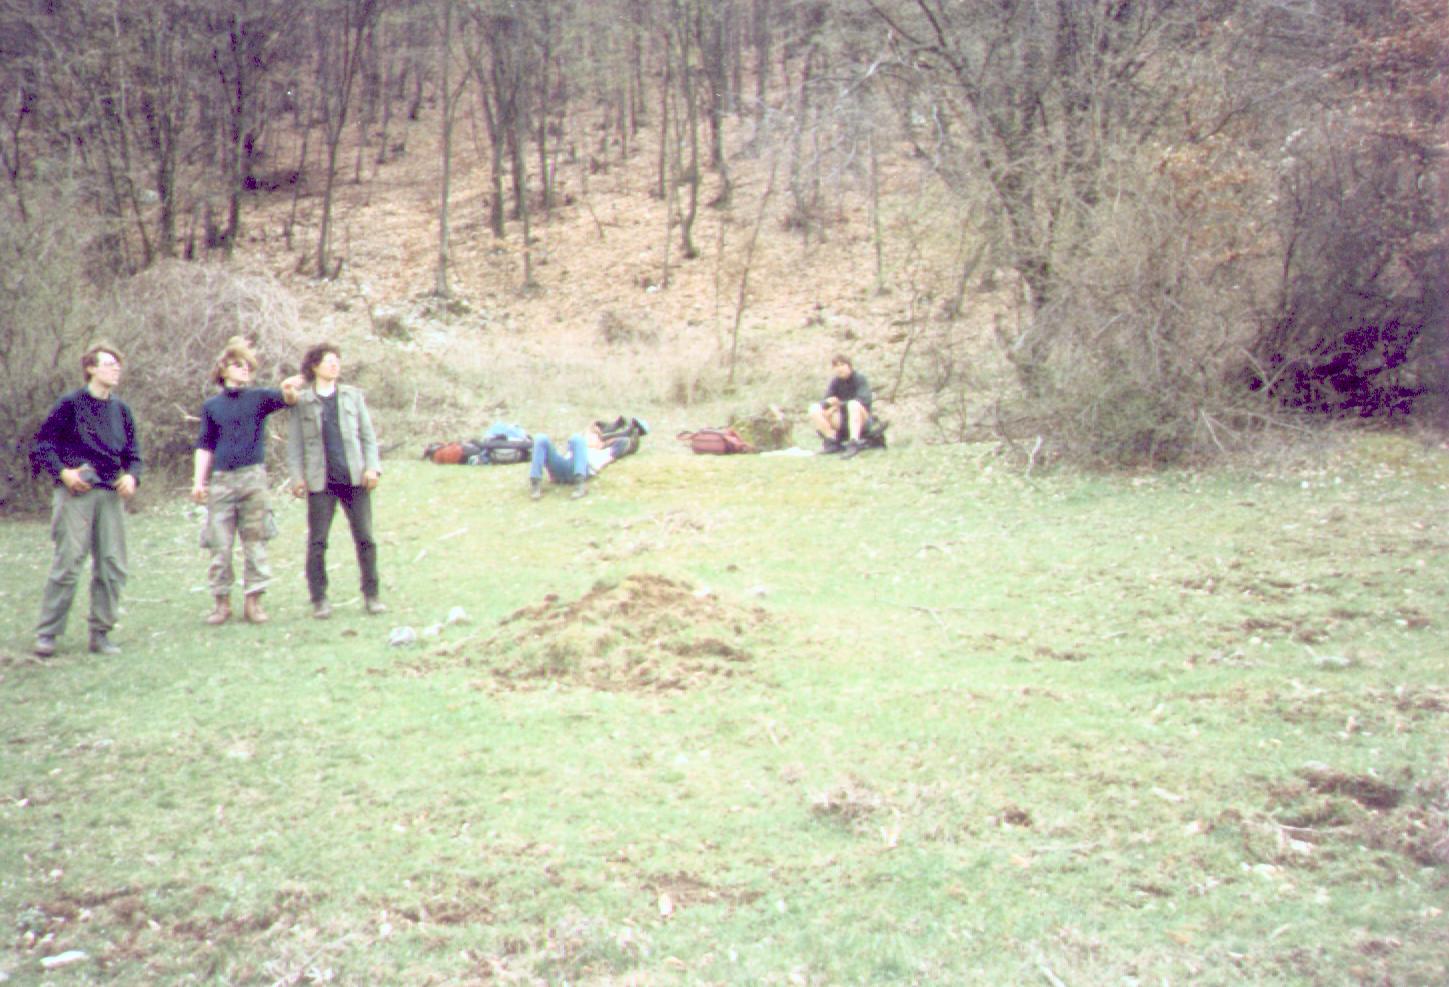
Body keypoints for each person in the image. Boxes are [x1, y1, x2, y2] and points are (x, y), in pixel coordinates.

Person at [30, 343, 143, 657]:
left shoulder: (121, 410)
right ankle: (47, 633)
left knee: (112, 565)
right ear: (90, 368)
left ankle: (100, 633)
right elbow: (43, 445)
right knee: (68, 563)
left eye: (117, 365)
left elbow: (134, 455)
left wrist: (132, 477)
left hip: (110, 495)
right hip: (76, 494)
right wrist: (63, 473)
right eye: (108, 364)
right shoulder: (70, 404)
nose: (115, 369)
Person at [191, 337, 301, 626]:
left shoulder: (260, 398)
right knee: (219, 544)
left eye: (249, 366)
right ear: (223, 369)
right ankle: (221, 604)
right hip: (222, 481)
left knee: (256, 541)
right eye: (238, 365)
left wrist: (291, 387)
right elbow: (205, 445)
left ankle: (254, 602)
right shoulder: (212, 406)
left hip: (253, 479)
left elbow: (288, 398)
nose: (244, 370)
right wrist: (198, 482)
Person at [286, 342, 385, 619]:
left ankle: (372, 595)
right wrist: (297, 477)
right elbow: (295, 445)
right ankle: (319, 599)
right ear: (314, 366)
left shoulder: (352, 396)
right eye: (328, 361)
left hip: (355, 479)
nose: (334, 365)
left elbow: (368, 436)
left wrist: (372, 468)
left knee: (366, 538)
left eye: (337, 361)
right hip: (321, 483)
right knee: (317, 542)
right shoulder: (302, 402)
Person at [528, 420, 642, 500]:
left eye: (592, 437)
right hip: (562, 468)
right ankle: (535, 484)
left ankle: (580, 487)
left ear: (600, 442)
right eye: (587, 436)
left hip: (582, 470)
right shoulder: (578, 446)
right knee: (540, 438)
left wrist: (611, 440)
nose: (588, 438)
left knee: (576, 438)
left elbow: (623, 444)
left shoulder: (603, 452)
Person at [808, 353, 874, 458]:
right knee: (814, 409)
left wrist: (839, 405)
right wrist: (827, 403)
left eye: (842, 365)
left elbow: (864, 400)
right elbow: (826, 401)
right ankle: (832, 441)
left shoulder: (860, 379)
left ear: (849, 366)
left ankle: (854, 443)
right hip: (842, 419)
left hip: (861, 419)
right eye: (836, 366)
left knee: (853, 405)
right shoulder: (835, 382)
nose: (840, 369)